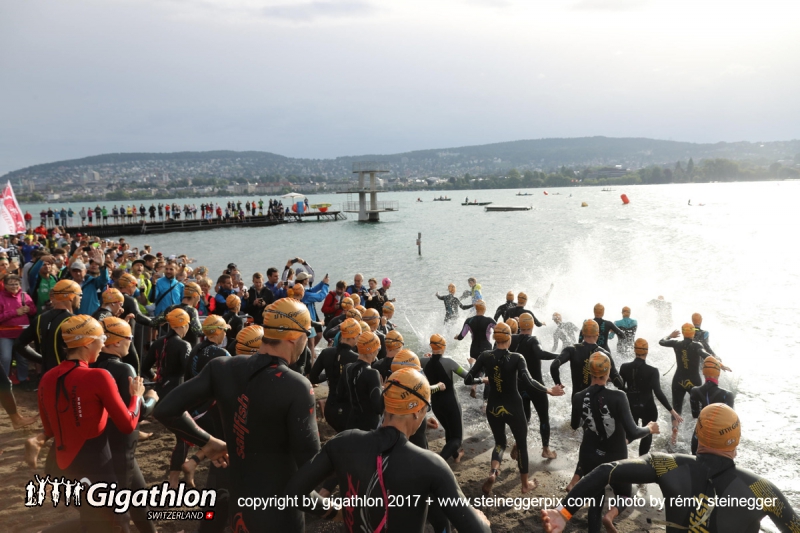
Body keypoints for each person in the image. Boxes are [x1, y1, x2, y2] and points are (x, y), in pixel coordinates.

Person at [154, 298, 321, 532]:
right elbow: (312, 469)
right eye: (306, 334)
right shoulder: (297, 386)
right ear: (294, 337)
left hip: (240, 506)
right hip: (279, 514)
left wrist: (207, 442)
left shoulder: (222, 367)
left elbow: (164, 409)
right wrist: (333, 509)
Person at [285, 367, 492, 533]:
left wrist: (333, 512)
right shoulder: (431, 465)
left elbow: (294, 492)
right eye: (425, 410)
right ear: (417, 411)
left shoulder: (344, 441)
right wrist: (482, 521)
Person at [541, 404, 800, 533]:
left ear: (697, 435)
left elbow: (606, 470)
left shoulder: (668, 465)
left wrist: (563, 512)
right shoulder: (762, 490)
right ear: (737, 439)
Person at [38, 315, 145, 533]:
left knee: (93, 521)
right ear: (87, 343)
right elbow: (127, 424)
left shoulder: (47, 377)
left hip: (62, 468)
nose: (104, 344)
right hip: (95, 468)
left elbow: (49, 429)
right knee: (117, 522)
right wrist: (136, 396)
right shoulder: (98, 376)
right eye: (102, 339)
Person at [464, 322, 564, 494]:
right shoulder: (517, 358)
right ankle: (525, 484)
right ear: (509, 338)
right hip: (513, 407)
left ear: (495, 338)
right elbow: (529, 381)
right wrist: (548, 390)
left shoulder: (485, 356)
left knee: (500, 443)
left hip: (494, 407)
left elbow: (468, 379)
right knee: (522, 445)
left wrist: (483, 380)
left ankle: (493, 472)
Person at [569, 352, 659, 532]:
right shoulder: (618, 396)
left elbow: (574, 424)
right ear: (608, 371)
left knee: (596, 499)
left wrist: (590, 417)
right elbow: (633, 431)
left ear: (590, 372)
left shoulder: (578, 396)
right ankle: (609, 516)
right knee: (625, 494)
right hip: (614, 457)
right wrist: (649, 428)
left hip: (589, 454)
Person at [92, 317, 159, 533]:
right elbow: (137, 413)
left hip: (98, 447)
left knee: (137, 498)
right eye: (129, 337)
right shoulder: (123, 369)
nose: (131, 341)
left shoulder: (90, 364)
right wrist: (151, 398)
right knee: (121, 511)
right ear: (116, 341)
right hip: (121, 447)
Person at [659, 323, 727, 444]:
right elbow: (706, 355)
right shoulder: (697, 345)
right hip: (694, 381)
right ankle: (702, 431)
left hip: (678, 380)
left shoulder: (676, 343)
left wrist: (670, 335)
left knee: (677, 407)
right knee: (701, 407)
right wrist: (720, 365)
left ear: (683, 332)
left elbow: (662, 342)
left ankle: (675, 429)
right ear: (693, 333)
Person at [619, 338, 682, 456]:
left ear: (634, 350)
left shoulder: (624, 367)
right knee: (647, 434)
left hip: (631, 407)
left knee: (629, 435)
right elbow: (658, 392)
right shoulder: (652, 371)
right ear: (646, 351)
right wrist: (671, 410)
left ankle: (618, 450)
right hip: (648, 408)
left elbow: (621, 387)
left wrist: (630, 393)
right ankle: (642, 461)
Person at [515, 312, 560, 459]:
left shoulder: (512, 340)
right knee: (543, 418)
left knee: (524, 418)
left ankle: (518, 444)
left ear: (520, 325)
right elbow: (540, 354)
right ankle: (546, 450)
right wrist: (559, 356)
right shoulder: (533, 340)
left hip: (519, 386)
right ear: (532, 325)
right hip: (536, 386)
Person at [309, 317, 361, 432]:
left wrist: (329, 375)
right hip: (348, 411)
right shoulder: (357, 359)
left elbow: (313, 378)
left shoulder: (326, 352)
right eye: (359, 335)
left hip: (330, 408)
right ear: (353, 336)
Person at [423, 333, 469, 463]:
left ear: (431, 346)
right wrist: (475, 368)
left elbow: (409, 365)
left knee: (449, 429)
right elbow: (468, 377)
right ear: (443, 347)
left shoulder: (423, 361)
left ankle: (456, 456)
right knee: (457, 438)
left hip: (436, 405)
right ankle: (438, 462)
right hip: (451, 403)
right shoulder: (449, 362)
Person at [339, 331, 384, 431]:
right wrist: (383, 391)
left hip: (351, 424)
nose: (378, 352)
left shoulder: (347, 368)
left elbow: (340, 394)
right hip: (369, 428)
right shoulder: (373, 373)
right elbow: (378, 408)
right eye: (378, 349)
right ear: (372, 351)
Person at [689, 356, 734, 454]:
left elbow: (695, 415)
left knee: (696, 460)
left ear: (703, 372)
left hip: (699, 437)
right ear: (718, 373)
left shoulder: (694, 391)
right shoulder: (727, 395)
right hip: (718, 439)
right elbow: (730, 422)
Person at [0, 275, 37, 391]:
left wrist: (29, 309)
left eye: (16, 284)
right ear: (5, 285)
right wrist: (15, 312)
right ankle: (4, 382)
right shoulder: (1, 298)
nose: (14, 286)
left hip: (22, 334)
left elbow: (34, 311)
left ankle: (23, 379)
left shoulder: (25, 296)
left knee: (23, 358)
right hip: (5, 334)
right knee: (5, 358)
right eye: (11, 284)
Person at [455, 300, 495, 399]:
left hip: (474, 349)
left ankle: (474, 386)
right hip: (486, 348)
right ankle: (485, 400)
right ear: (484, 308)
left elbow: (461, 336)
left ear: (476, 309)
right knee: (488, 371)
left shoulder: (469, 320)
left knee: (476, 368)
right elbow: (499, 330)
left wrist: (457, 337)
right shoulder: (489, 320)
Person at [151, 281, 203, 347]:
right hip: (188, 347)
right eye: (199, 296)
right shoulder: (192, 311)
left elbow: (153, 322)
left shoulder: (172, 308)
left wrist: (165, 321)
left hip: (172, 346)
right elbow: (198, 331)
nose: (199, 299)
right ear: (195, 296)